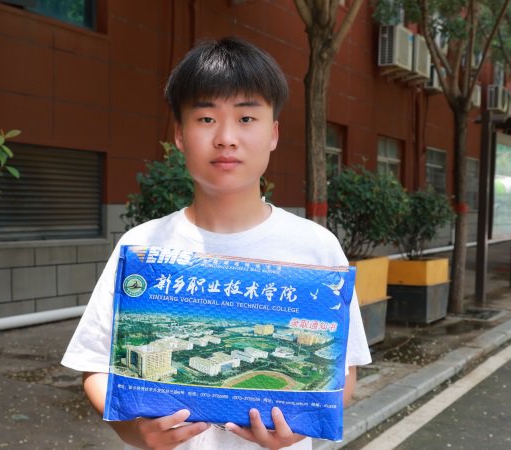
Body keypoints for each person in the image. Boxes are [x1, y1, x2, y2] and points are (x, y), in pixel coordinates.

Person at [62, 36, 371, 450]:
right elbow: (96, 365)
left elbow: (343, 374)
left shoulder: (316, 247)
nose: (226, 137)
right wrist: (136, 431)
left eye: (246, 118)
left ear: (273, 133)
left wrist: (300, 428)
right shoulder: (144, 246)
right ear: (179, 134)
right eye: (206, 118)